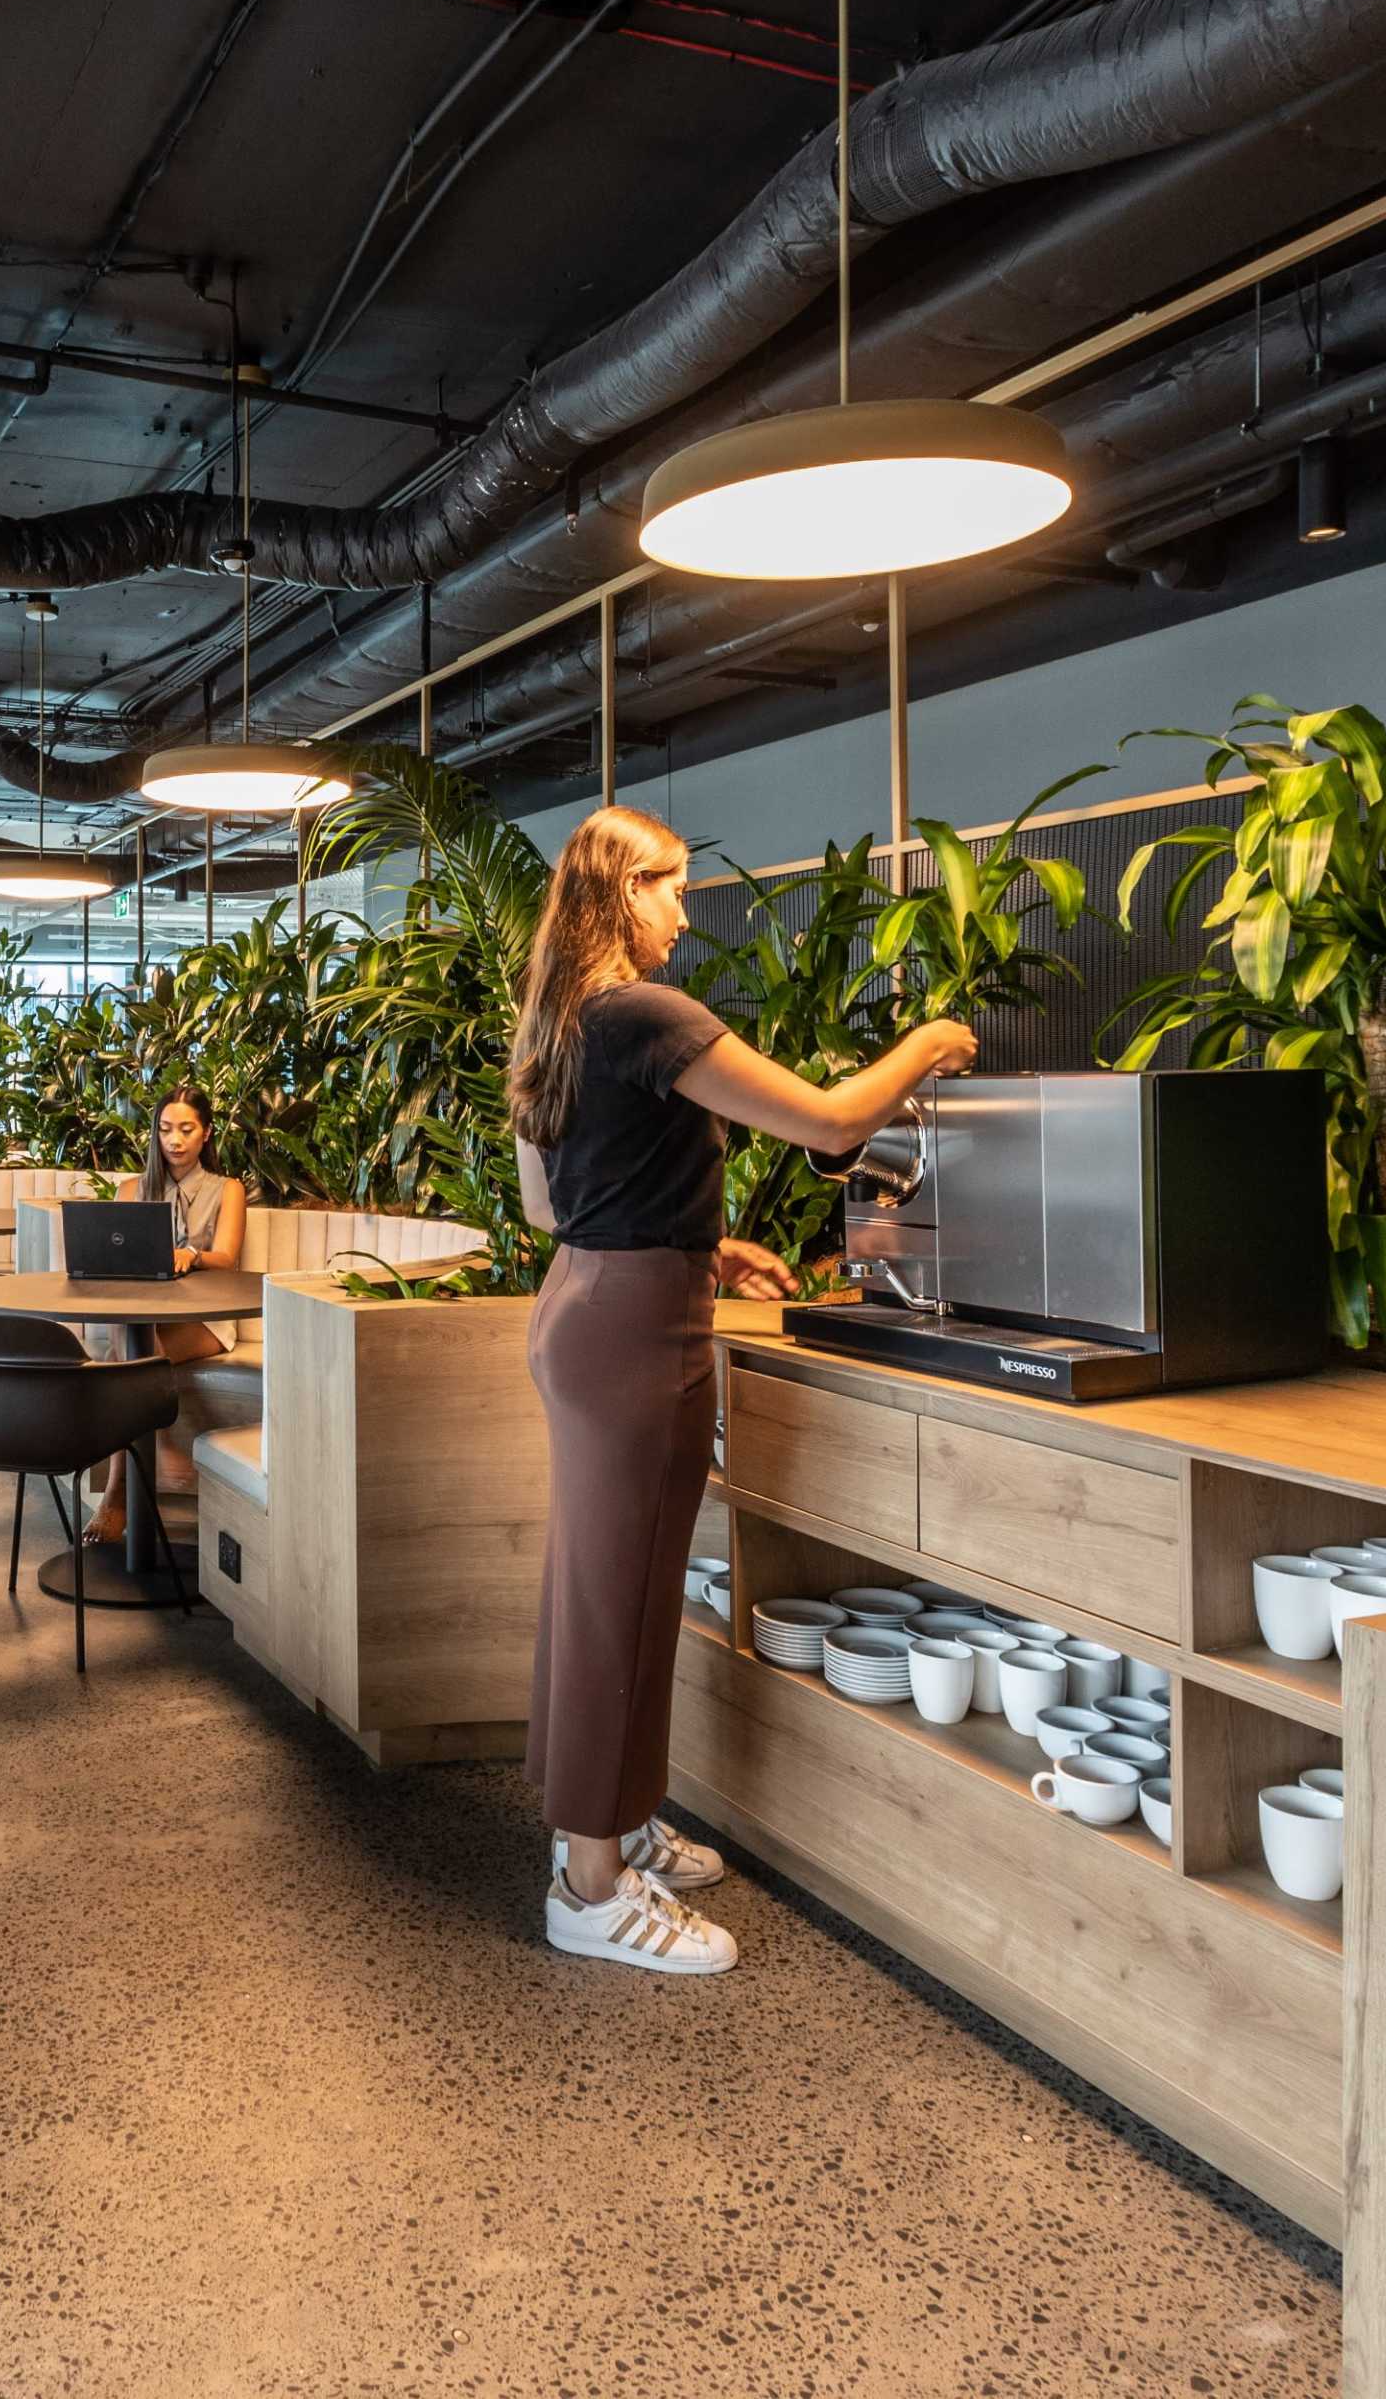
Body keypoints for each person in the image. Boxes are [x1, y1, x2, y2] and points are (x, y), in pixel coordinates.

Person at [514, 806, 978, 1976]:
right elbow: (827, 1120)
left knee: (604, 1587)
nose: (684, 910)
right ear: (623, 893)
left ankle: (607, 1829)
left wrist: (702, 1249)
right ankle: (590, 1888)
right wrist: (926, 1041)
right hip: (630, 1331)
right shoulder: (645, 1011)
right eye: (670, 888)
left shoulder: (570, 1017)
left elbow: (567, 1196)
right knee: (617, 1596)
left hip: (596, 1303)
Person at [83, 1085, 252, 1548]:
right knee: (131, 1346)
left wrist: (192, 1256)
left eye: (186, 1129)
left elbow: (228, 1258)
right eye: (164, 1130)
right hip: (143, 1315)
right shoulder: (132, 1190)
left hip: (206, 1318)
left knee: (124, 1364)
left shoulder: (227, 1190)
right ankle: (159, 1444)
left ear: (206, 1133)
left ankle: (118, 1492)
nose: (174, 1140)